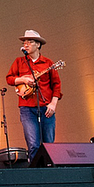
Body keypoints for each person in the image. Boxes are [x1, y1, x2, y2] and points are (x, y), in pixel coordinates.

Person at [6, 30, 62, 163]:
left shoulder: (48, 63)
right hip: (27, 108)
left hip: (46, 108)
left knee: (49, 144)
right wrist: (23, 80)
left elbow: (56, 85)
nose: (26, 44)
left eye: (30, 42)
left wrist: (53, 104)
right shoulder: (19, 61)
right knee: (33, 145)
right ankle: (36, 171)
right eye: (24, 42)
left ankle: (49, 171)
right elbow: (9, 79)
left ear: (38, 44)